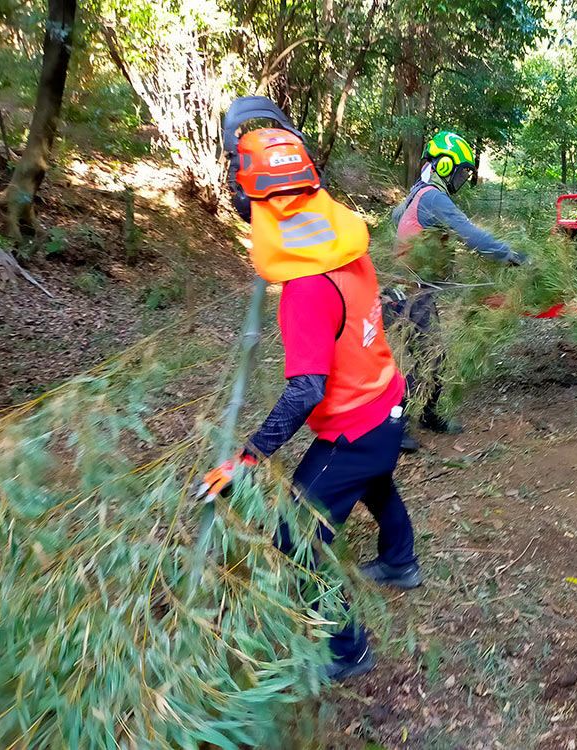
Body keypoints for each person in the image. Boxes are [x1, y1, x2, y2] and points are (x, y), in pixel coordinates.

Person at [203, 107, 421, 683]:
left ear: (257, 206)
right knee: (376, 481)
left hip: (356, 426)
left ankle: (346, 652)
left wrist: (247, 459)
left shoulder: (303, 290)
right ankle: (401, 561)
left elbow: (305, 392)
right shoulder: (348, 252)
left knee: (298, 536)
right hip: (388, 401)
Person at [386, 131, 526, 452]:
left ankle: (430, 414)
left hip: (410, 287)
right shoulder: (434, 197)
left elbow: (397, 218)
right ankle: (394, 425)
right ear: (446, 166)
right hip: (409, 289)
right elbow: (473, 236)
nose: (462, 178)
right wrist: (511, 255)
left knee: (437, 355)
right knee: (428, 357)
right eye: (461, 171)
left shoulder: (419, 191)